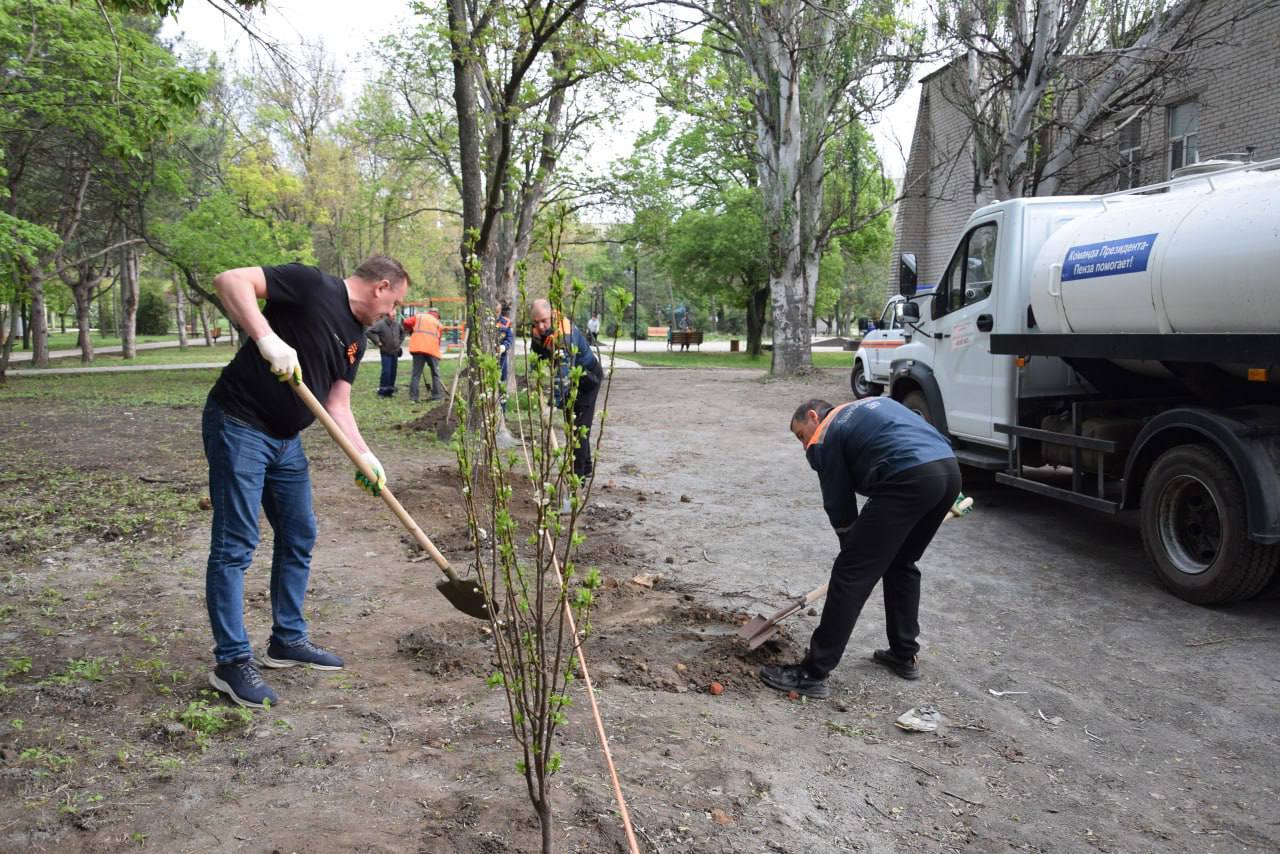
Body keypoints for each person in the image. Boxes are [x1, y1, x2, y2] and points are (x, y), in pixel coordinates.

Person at [203, 255, 409, 708]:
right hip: (239, 424)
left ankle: (287, 641)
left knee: (299, 535)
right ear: (382, 286)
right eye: (395, 302)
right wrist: (267, 338)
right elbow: (229, 277)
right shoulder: (311, 285)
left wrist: (365, 456)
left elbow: (338, 406)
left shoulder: (357, 339)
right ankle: (232, 662)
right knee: (236, 543)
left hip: (285, 441)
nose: (392, 313)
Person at [759, 397, 961, 699]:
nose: (805, 447)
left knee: (850, 575)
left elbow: (838, 504)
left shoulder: (826, 434)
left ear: (814, 416)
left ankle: (812, 673)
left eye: (802, 435)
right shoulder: (872, 404)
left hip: (907, 476)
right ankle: (903, 654)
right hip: (947, 471)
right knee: (902, 564)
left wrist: (852, 553)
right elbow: (927, 435)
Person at [530, 298, 604, 487]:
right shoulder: (538, 329)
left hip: (588, 378)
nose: (540, 325)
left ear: (552, 314)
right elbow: (536, 355)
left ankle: (576, 484)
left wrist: (551, 405)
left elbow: (562, 372)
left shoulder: (564, 334)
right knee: (572, 422)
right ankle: (585, 468)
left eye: (544, 321)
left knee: (578, 429)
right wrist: (534, 374)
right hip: (571, 379)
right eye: (536, 322)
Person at [406, 308, 444, 403]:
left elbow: (406, 322)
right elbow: (438, 341)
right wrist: (437, 356)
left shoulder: (419, 317)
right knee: (435, 374)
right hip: (432, 350)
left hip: (418, 348)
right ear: (437, 315)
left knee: (416, 374)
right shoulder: (439, 324)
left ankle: (414, 398)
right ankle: (437, 395)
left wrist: (411, 330)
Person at [366, 313, 403, 398]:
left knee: (393, 371)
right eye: (393, 316)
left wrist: (399, 342)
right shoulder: (380, 324)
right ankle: (382, 392)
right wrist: (377, 341)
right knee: (386, 371)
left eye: (395, 316)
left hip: (395, 352)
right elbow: (369, 332)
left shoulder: (397, 324)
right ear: (387, 316)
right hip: (385, 351)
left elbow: (402, 332)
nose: (394, 317)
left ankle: (390, 391)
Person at [495, 301, 515, 392]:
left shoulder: (506, 322)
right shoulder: (485, 322)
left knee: (502, 381)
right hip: (488, 356)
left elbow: (510, 338)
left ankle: (503, 405)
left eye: (497, 312)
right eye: (494, 311)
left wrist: (503, 347)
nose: (495, 314)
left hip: (501, 356)